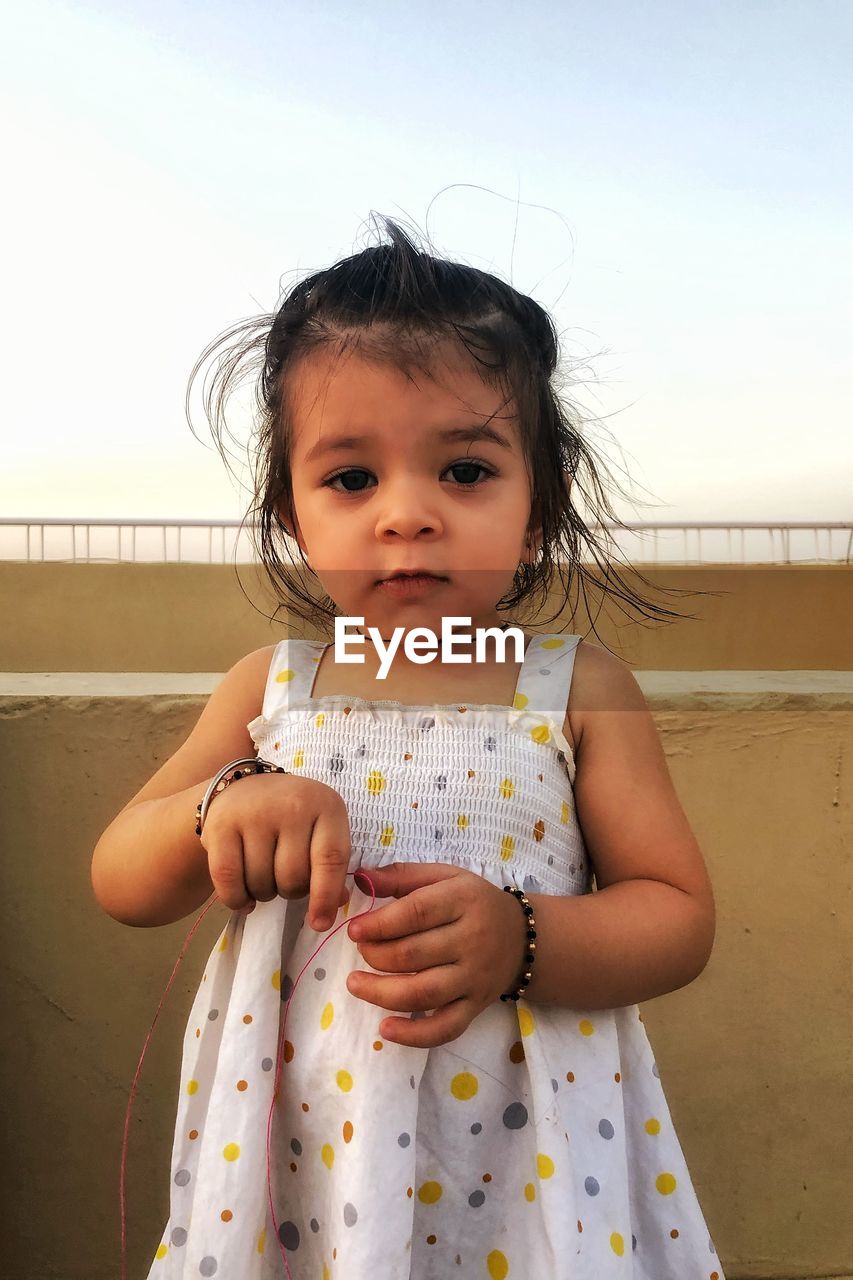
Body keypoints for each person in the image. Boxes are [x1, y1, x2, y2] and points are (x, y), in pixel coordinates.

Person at [91, 214, 725, 1279]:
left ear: (536, 504)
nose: (407, 513)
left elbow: (675, 913)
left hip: (533, 1157)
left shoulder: (575, 687)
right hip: (303, 1154)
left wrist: (519, 938)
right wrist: (221, 803)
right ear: (291, 512)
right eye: (350, 478)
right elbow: (121, 873)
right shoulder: (271, 686)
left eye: (465, 469)